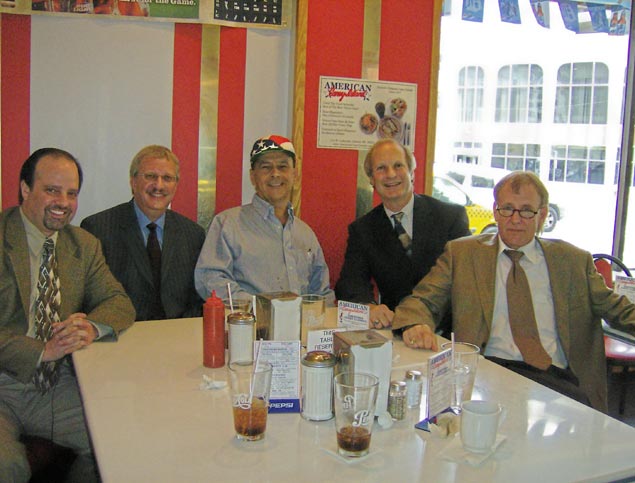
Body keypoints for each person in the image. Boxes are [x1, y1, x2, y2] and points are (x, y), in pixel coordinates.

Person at [392, 170, 635, 412]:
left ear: (542, 215)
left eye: (526, 210)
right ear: (496, 211)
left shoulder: (573, 261)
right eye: (507, 209)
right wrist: (416, 323)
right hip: (486, 373)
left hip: (556, 381)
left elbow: (617, 308)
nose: (515, 219)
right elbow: (422, 300)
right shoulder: (462, 254)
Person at [0, 148, 135, 482]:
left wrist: (90, 327)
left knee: (117, 443)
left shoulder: (83, 245)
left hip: (55, 384)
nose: (63, 202)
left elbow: (118, 301)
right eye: (52, 190)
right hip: (3, 383)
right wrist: (41, 350)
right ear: (25, 189)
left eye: (71, 193)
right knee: (7, 466)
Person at [335, 139, 470, 329]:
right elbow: (351, 284)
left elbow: (465, 278)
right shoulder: (363, 230)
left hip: (445, 331)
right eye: (381, 168)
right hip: (396, 328)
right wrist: (369, 307)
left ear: (411, 173)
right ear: (372, 179)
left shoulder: (450, 217)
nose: (391, 174)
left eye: (398, 165)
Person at [195, 135, 334, 303]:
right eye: (266, 167)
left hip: (304, 320)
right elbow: (210, 280)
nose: (275, 174)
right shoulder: (227, 225)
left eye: (283, 166)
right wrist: (261, 307)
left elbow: (322, 293)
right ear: (253, 176)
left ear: (295, 174)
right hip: (249, 320)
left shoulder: (305, 233)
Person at [81, 145, 206, 321]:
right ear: (133, 182)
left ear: (176, 185)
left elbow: (197, 298)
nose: (159, 185)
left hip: (177, 332)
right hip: (122, 331)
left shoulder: (193, 234)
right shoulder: (98, 229)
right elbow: (91, 296)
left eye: (167, 178)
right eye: (150, 176)